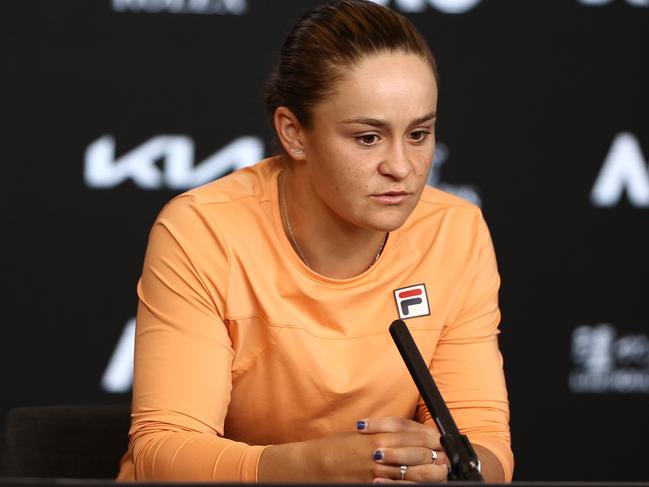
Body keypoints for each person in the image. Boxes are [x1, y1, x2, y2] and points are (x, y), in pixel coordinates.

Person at [117, 0, 513, 483]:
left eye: (419, 133)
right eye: (368, 138)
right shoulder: (202, 230)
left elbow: (485, 445)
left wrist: (446, 469)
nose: (402, 167)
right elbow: (163, 455)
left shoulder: (457, 232)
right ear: (294, 133)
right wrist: (317, 466)